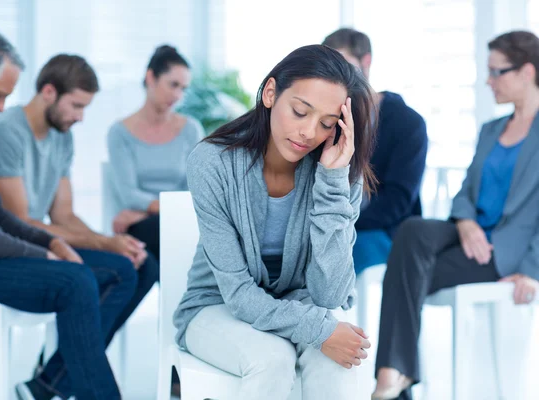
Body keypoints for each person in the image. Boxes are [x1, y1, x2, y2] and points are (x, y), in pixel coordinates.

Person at [173, 44, 377, 399]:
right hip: (215, 307)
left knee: (337, 364)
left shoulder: (341, 173)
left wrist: (332, 182)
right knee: (271, 357)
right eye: (300, 112)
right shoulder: (212, 163)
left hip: (300, 303)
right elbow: (237, 295)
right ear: (270, 93)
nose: (308, 133)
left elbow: (329, 294)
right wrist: (320, 329)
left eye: (326, 124)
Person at [0, 29, 132, 400]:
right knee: (74, 281)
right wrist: (41, 254)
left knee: (99, 272)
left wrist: (52, 241)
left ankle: (48, 386)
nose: (0, 107)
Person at [373, 30, 539, 400]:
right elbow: (466, 191)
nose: (488, 80)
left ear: (527, 72)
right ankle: (395, 373)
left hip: (504, 252)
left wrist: (532, 269)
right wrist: (464, 223)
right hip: (469, 233)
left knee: (405, 272)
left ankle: (393, 375)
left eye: (497, 72)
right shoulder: (491, 130)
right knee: (413, 229)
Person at [0, 54, 160, 380]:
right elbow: (19, 222)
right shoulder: (5, 131)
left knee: (143, 266)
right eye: (76, 106)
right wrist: (105, 241)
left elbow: (63, 214)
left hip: (43, 240)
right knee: (118, 272)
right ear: (49, 92)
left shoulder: (62, 136)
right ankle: (52, 384)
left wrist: (111, 244)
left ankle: (51, 381)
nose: (80, 117)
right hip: (10, 246)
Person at [323, 28, 428, 274]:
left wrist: (342, 223)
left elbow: (398, 201)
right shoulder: (330, 120)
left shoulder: (407, 122)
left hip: (387, 233)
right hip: (340, 227)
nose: (337, 78)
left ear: (366, 61)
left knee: (331, 257)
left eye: (345, 65)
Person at [107, 45, 204, 260]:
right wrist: (166, 209)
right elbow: (128, 193)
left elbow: (195, 189)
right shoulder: (120, 132)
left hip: (175, 218)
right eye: (173, 85)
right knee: (161, 238)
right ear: (151, 78)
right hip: (145, 226)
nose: (178, 95)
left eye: (183, 88)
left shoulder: (191, 129)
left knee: (176, 234)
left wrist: (149, 210)